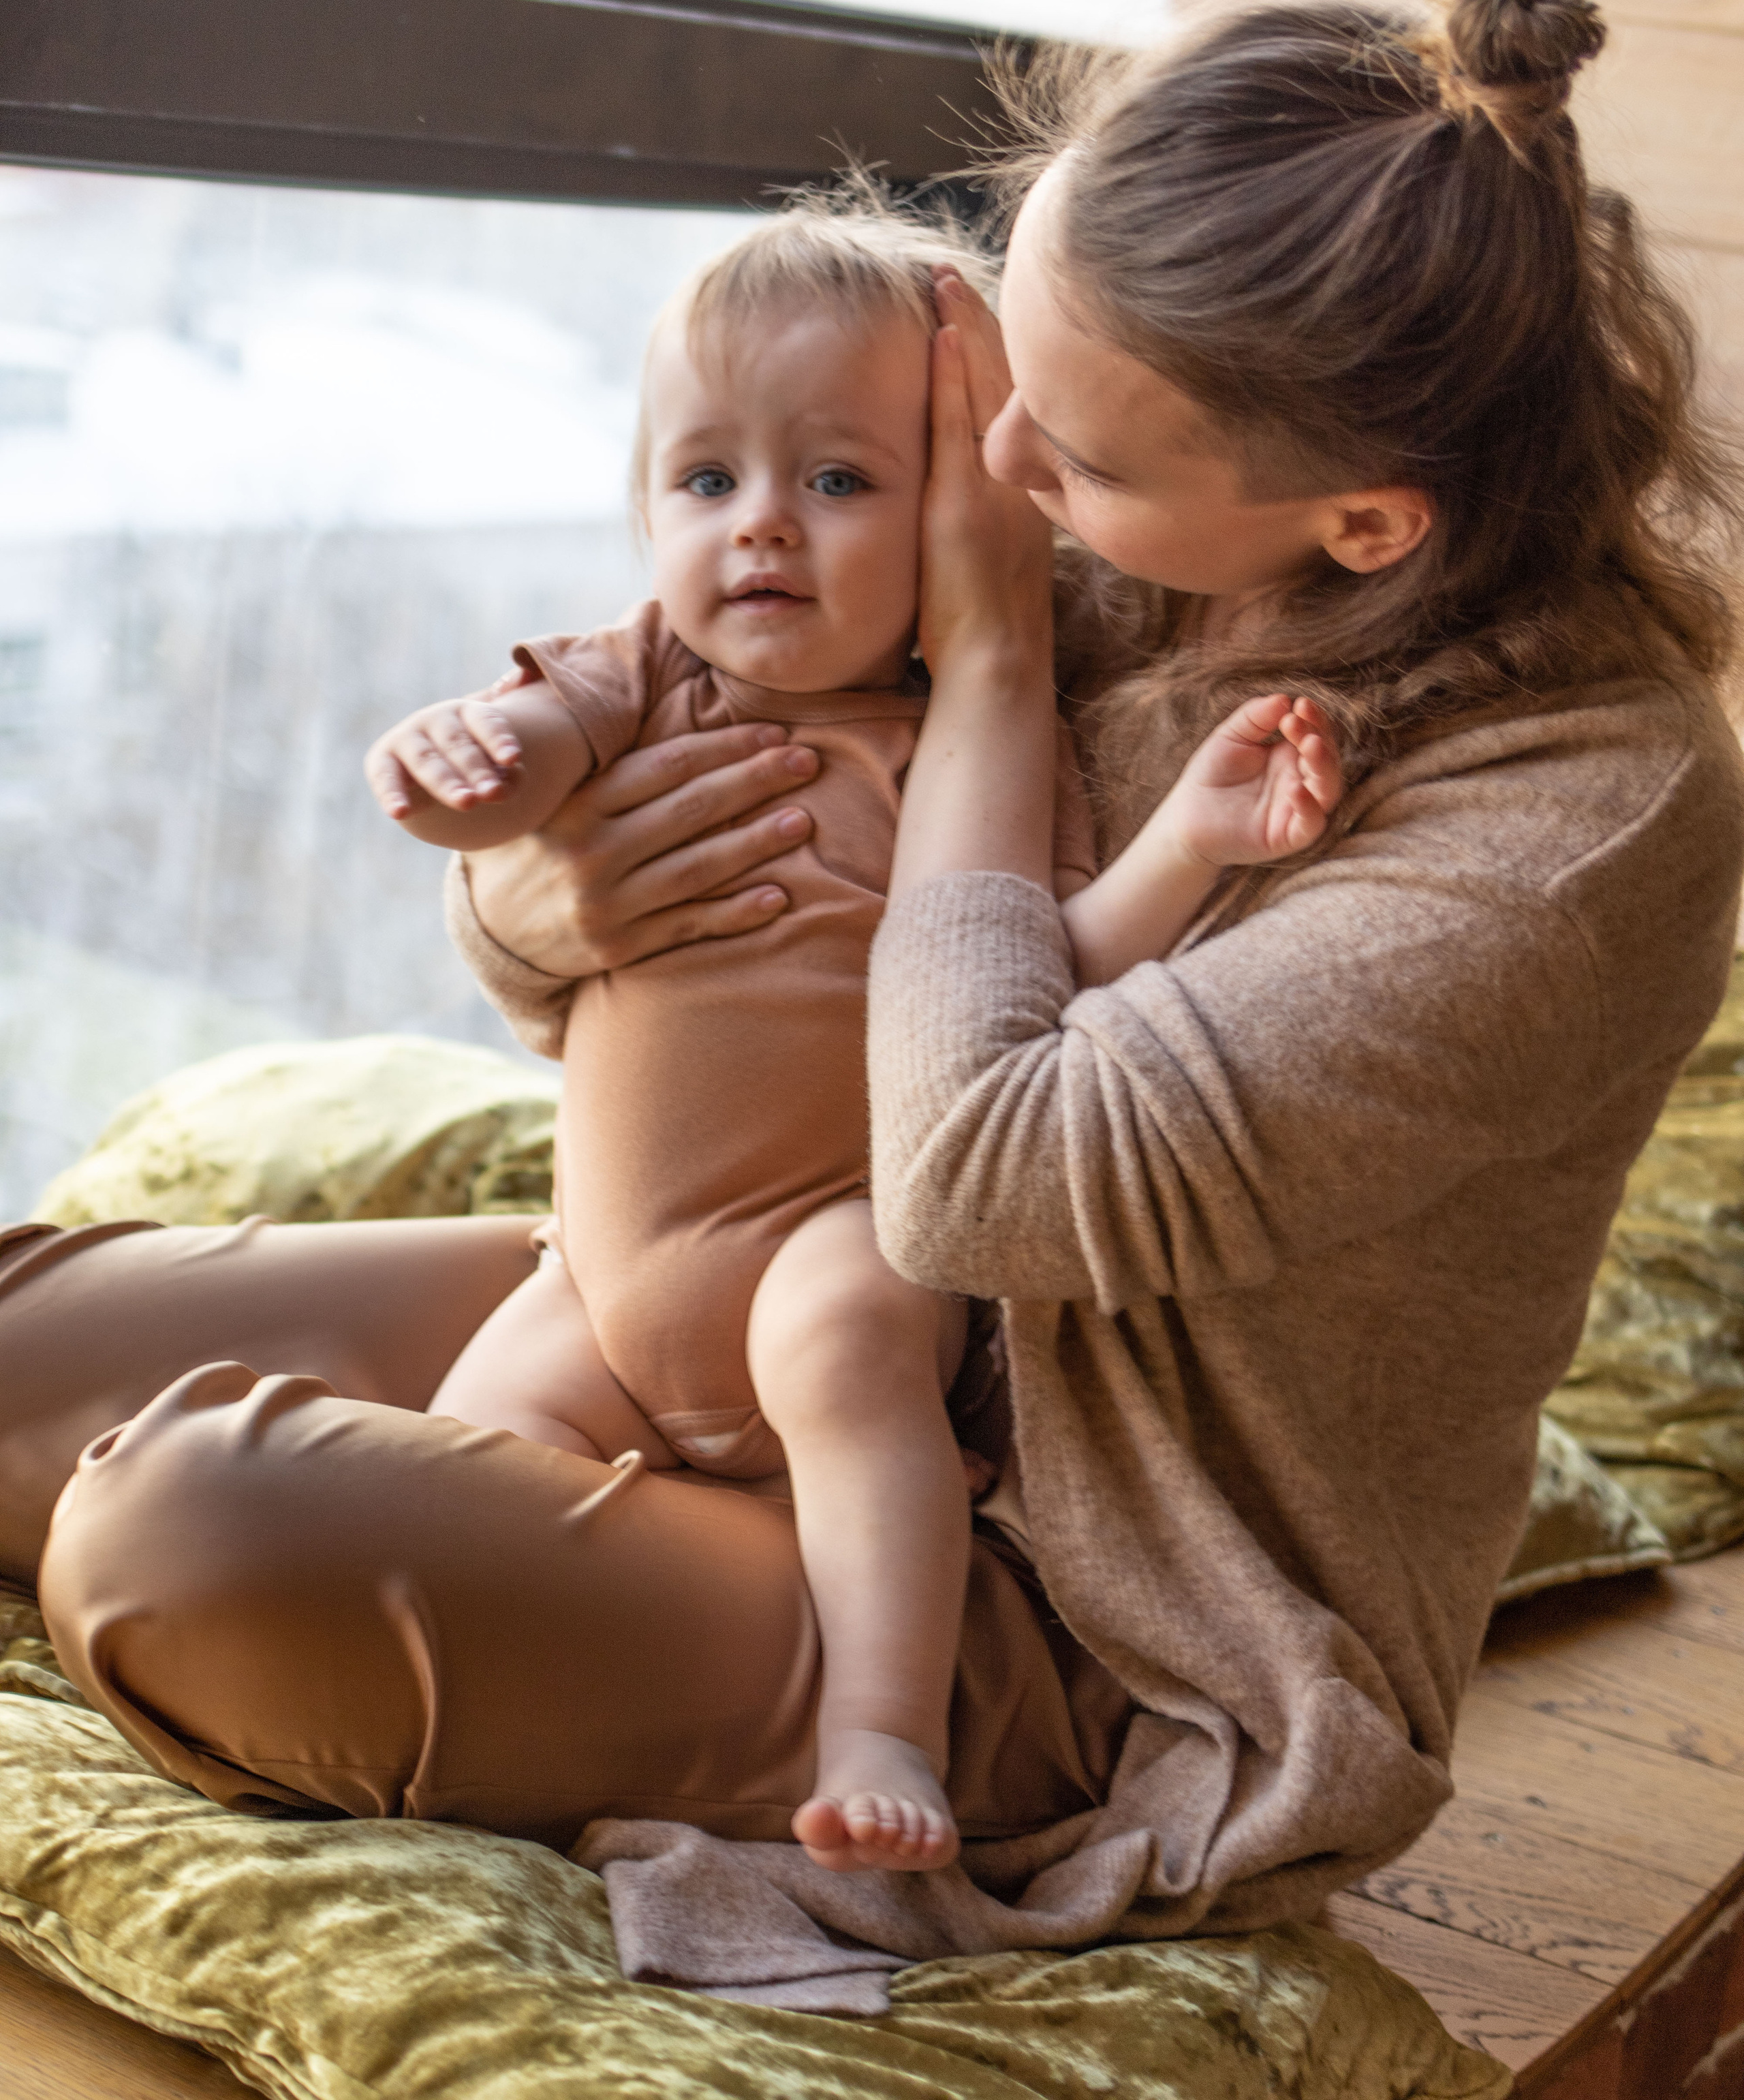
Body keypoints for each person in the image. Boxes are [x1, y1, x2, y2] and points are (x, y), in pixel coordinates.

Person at [22, 0, 1744, 1984]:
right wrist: (554, 888)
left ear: (1363, 523)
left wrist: (1000, 665)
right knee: (34, 1336)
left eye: (1066, 451)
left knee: (190, 1540)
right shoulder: (1135, 510)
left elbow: (976, 1184)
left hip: (1073, 1584)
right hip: (710, 1253)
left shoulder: (1572, 818)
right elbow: (667, 874)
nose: (989, 470)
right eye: (1006, 376)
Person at [360, 204, 1342, 1872]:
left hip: (834, 1241)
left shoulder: (970, 749)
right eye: (705, 480)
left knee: (837, 1334)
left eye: (835, 482)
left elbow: (1048, 974)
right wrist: (461, 758)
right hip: (600, 1286)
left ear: (965, 516)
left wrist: (1188, 841)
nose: (758, 529)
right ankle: (555, 1703)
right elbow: (521, 760)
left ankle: (879, 1724)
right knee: (455, 1478)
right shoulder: (650, 669)